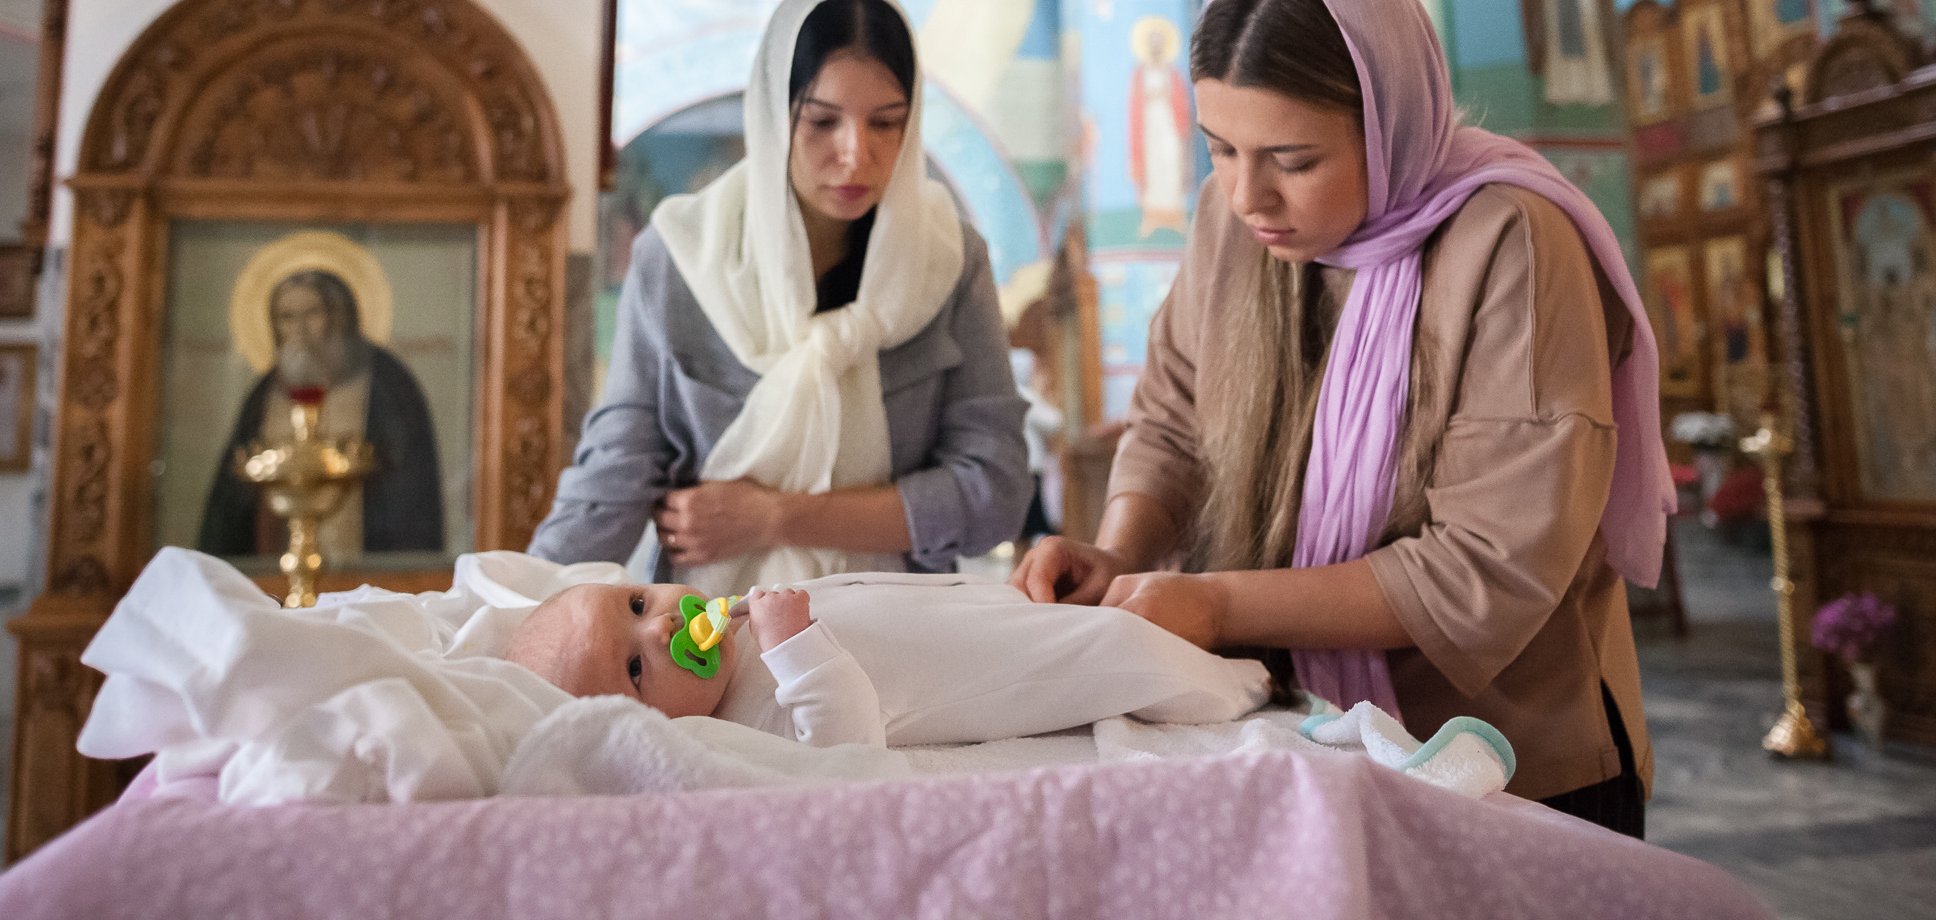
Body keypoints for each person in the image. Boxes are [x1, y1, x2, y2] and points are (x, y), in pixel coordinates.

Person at [1013, 0, 1673, 837]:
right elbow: (1172, 421)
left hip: (1506, 762)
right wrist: (1120, 554)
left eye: (1294, 160)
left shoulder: (1509, 243)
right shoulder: (1229, 225)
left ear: (1387, 119)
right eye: (1220, 150)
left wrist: (1215, 601)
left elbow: (1483, 566)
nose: (1250, 198)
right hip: (1302, 733)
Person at [529, 0, 1031, 595]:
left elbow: (994, 492)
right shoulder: (684, 257)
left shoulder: (948, 260)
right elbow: (614, 475)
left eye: (886, 123)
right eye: (822, 121)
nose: (856, 155)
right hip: (705, 630)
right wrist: (508, 607)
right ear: (773, 113)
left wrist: (775, 519)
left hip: (901, 623)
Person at [502, 574, 1268, 749]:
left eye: (636, 605)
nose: (664, 622)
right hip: (977, 668)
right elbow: (845, 751)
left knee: (1061, 621)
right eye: (638, 670)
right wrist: (796, 646)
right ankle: (1239, 687)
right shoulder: (743, 725)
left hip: (965, 614)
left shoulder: (732, 625)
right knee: (1113, 651)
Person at [198, 269, 444, 557]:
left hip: (364, 571)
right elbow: (233, 499)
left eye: (312, 313)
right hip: (275, 572)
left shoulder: (387, 385)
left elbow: (408, 491)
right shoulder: (264, 393)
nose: (300, 329)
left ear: (339, 316)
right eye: (287, 317)